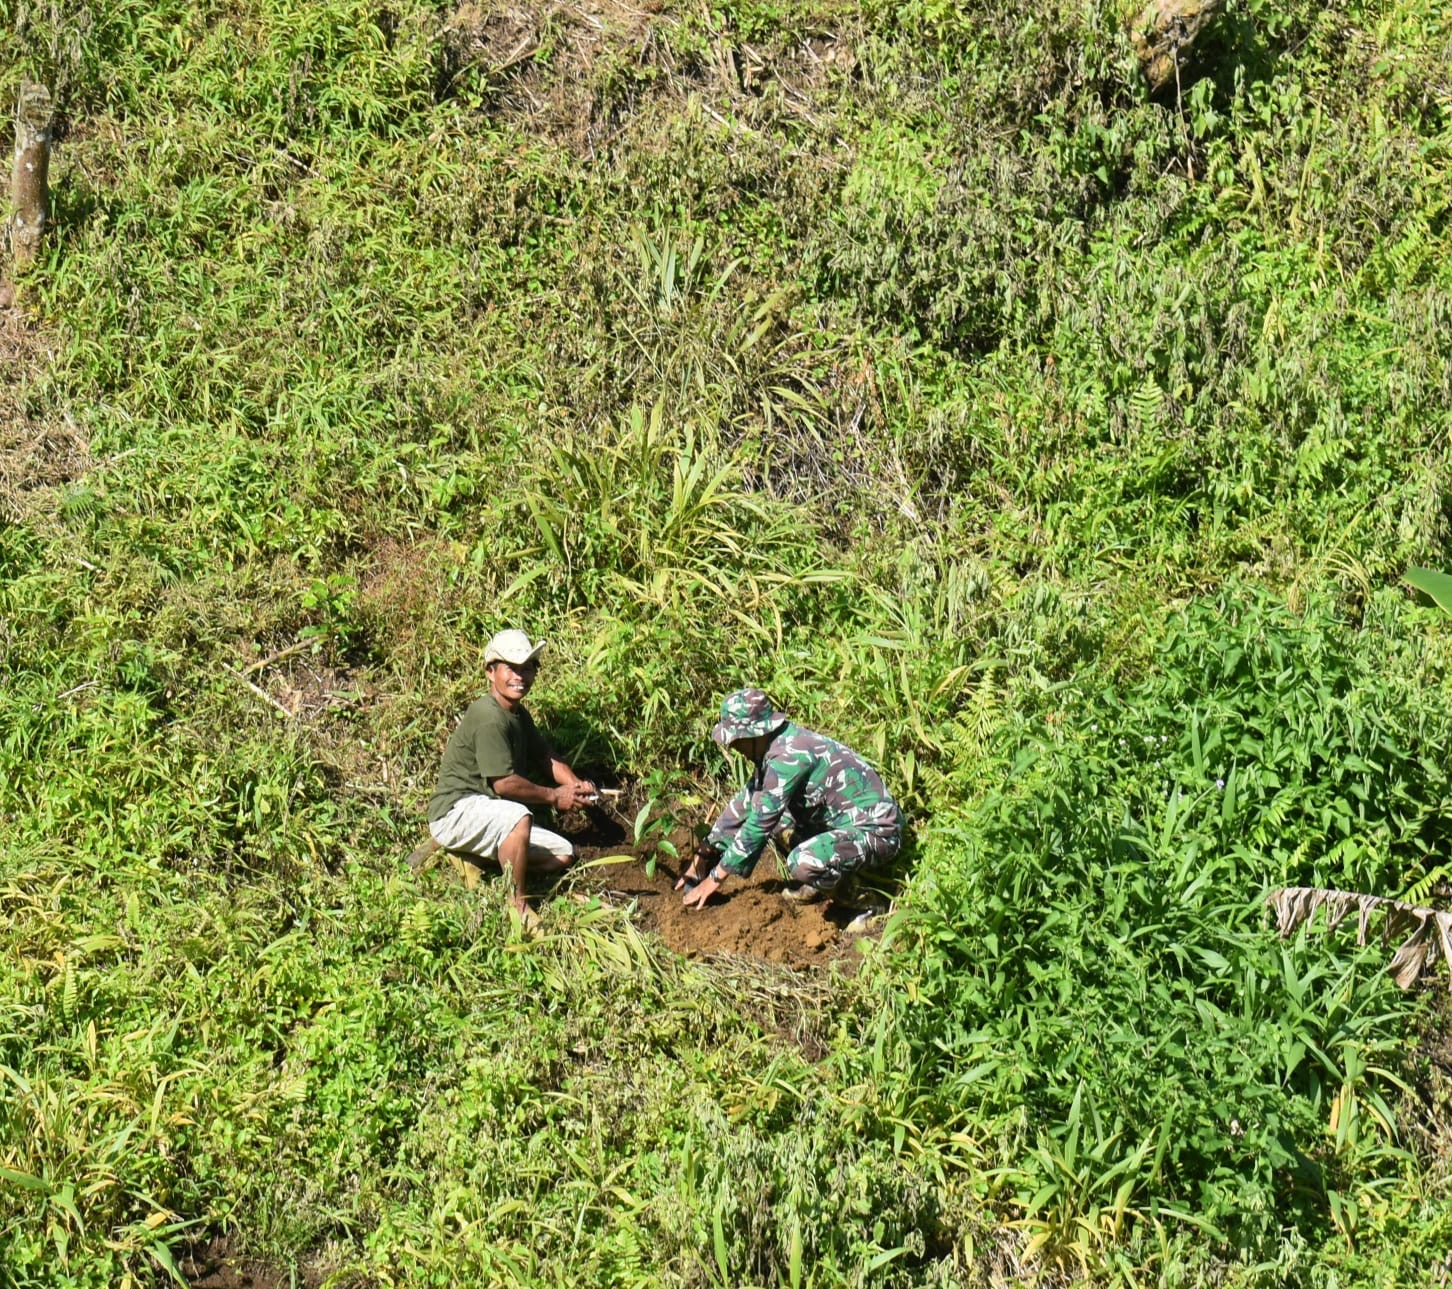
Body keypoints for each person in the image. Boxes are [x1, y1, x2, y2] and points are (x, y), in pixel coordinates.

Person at [677, 688, 903, 909]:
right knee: (774, 817)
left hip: (877, 833)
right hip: (844, 825)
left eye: (737, 740)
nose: (734, 747)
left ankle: (869, 904)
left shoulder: (788, 757)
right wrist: (705, 855)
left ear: (756, 732)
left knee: (802, 862)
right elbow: (746, 802)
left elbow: (759, 824)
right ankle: (822, 878)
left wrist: (715, 878)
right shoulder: (775, 745)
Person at [427, 629, 596, 924]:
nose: (521, 676)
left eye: (528, 667)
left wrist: (574, 785)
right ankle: (517, 908)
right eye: (512, 668)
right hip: (455, 813)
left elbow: (545, 757)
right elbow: (504, 784)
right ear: (491, 672)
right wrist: (556, 797)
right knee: (519, 818)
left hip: (489, 812)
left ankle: (474, 855)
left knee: (563, 854)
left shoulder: (518, 714)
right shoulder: (488, 716)